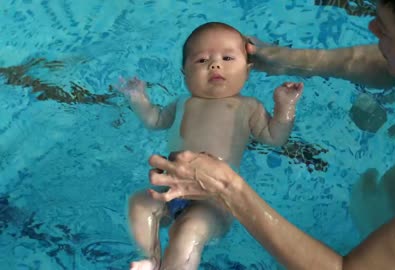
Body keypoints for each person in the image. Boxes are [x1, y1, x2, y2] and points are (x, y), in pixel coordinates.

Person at [146, 0, 395, 269]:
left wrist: (228, 188)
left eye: (386, 33)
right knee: (379, 198)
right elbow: (382, 63)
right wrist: (286, 60)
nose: (371, 29)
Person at [118, 22, 303, 270]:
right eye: (202, 60)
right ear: (184, 72)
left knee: (188, 231)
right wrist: (138, 98)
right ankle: (150, 258)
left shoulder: (248, 106)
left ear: (247, 71)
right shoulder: (182, 103)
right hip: (171, 188)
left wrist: (285, 107)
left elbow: (274, 137)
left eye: (227, 58)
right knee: (139, 203)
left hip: (215, 198)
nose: (215, 65)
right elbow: (154, 120)